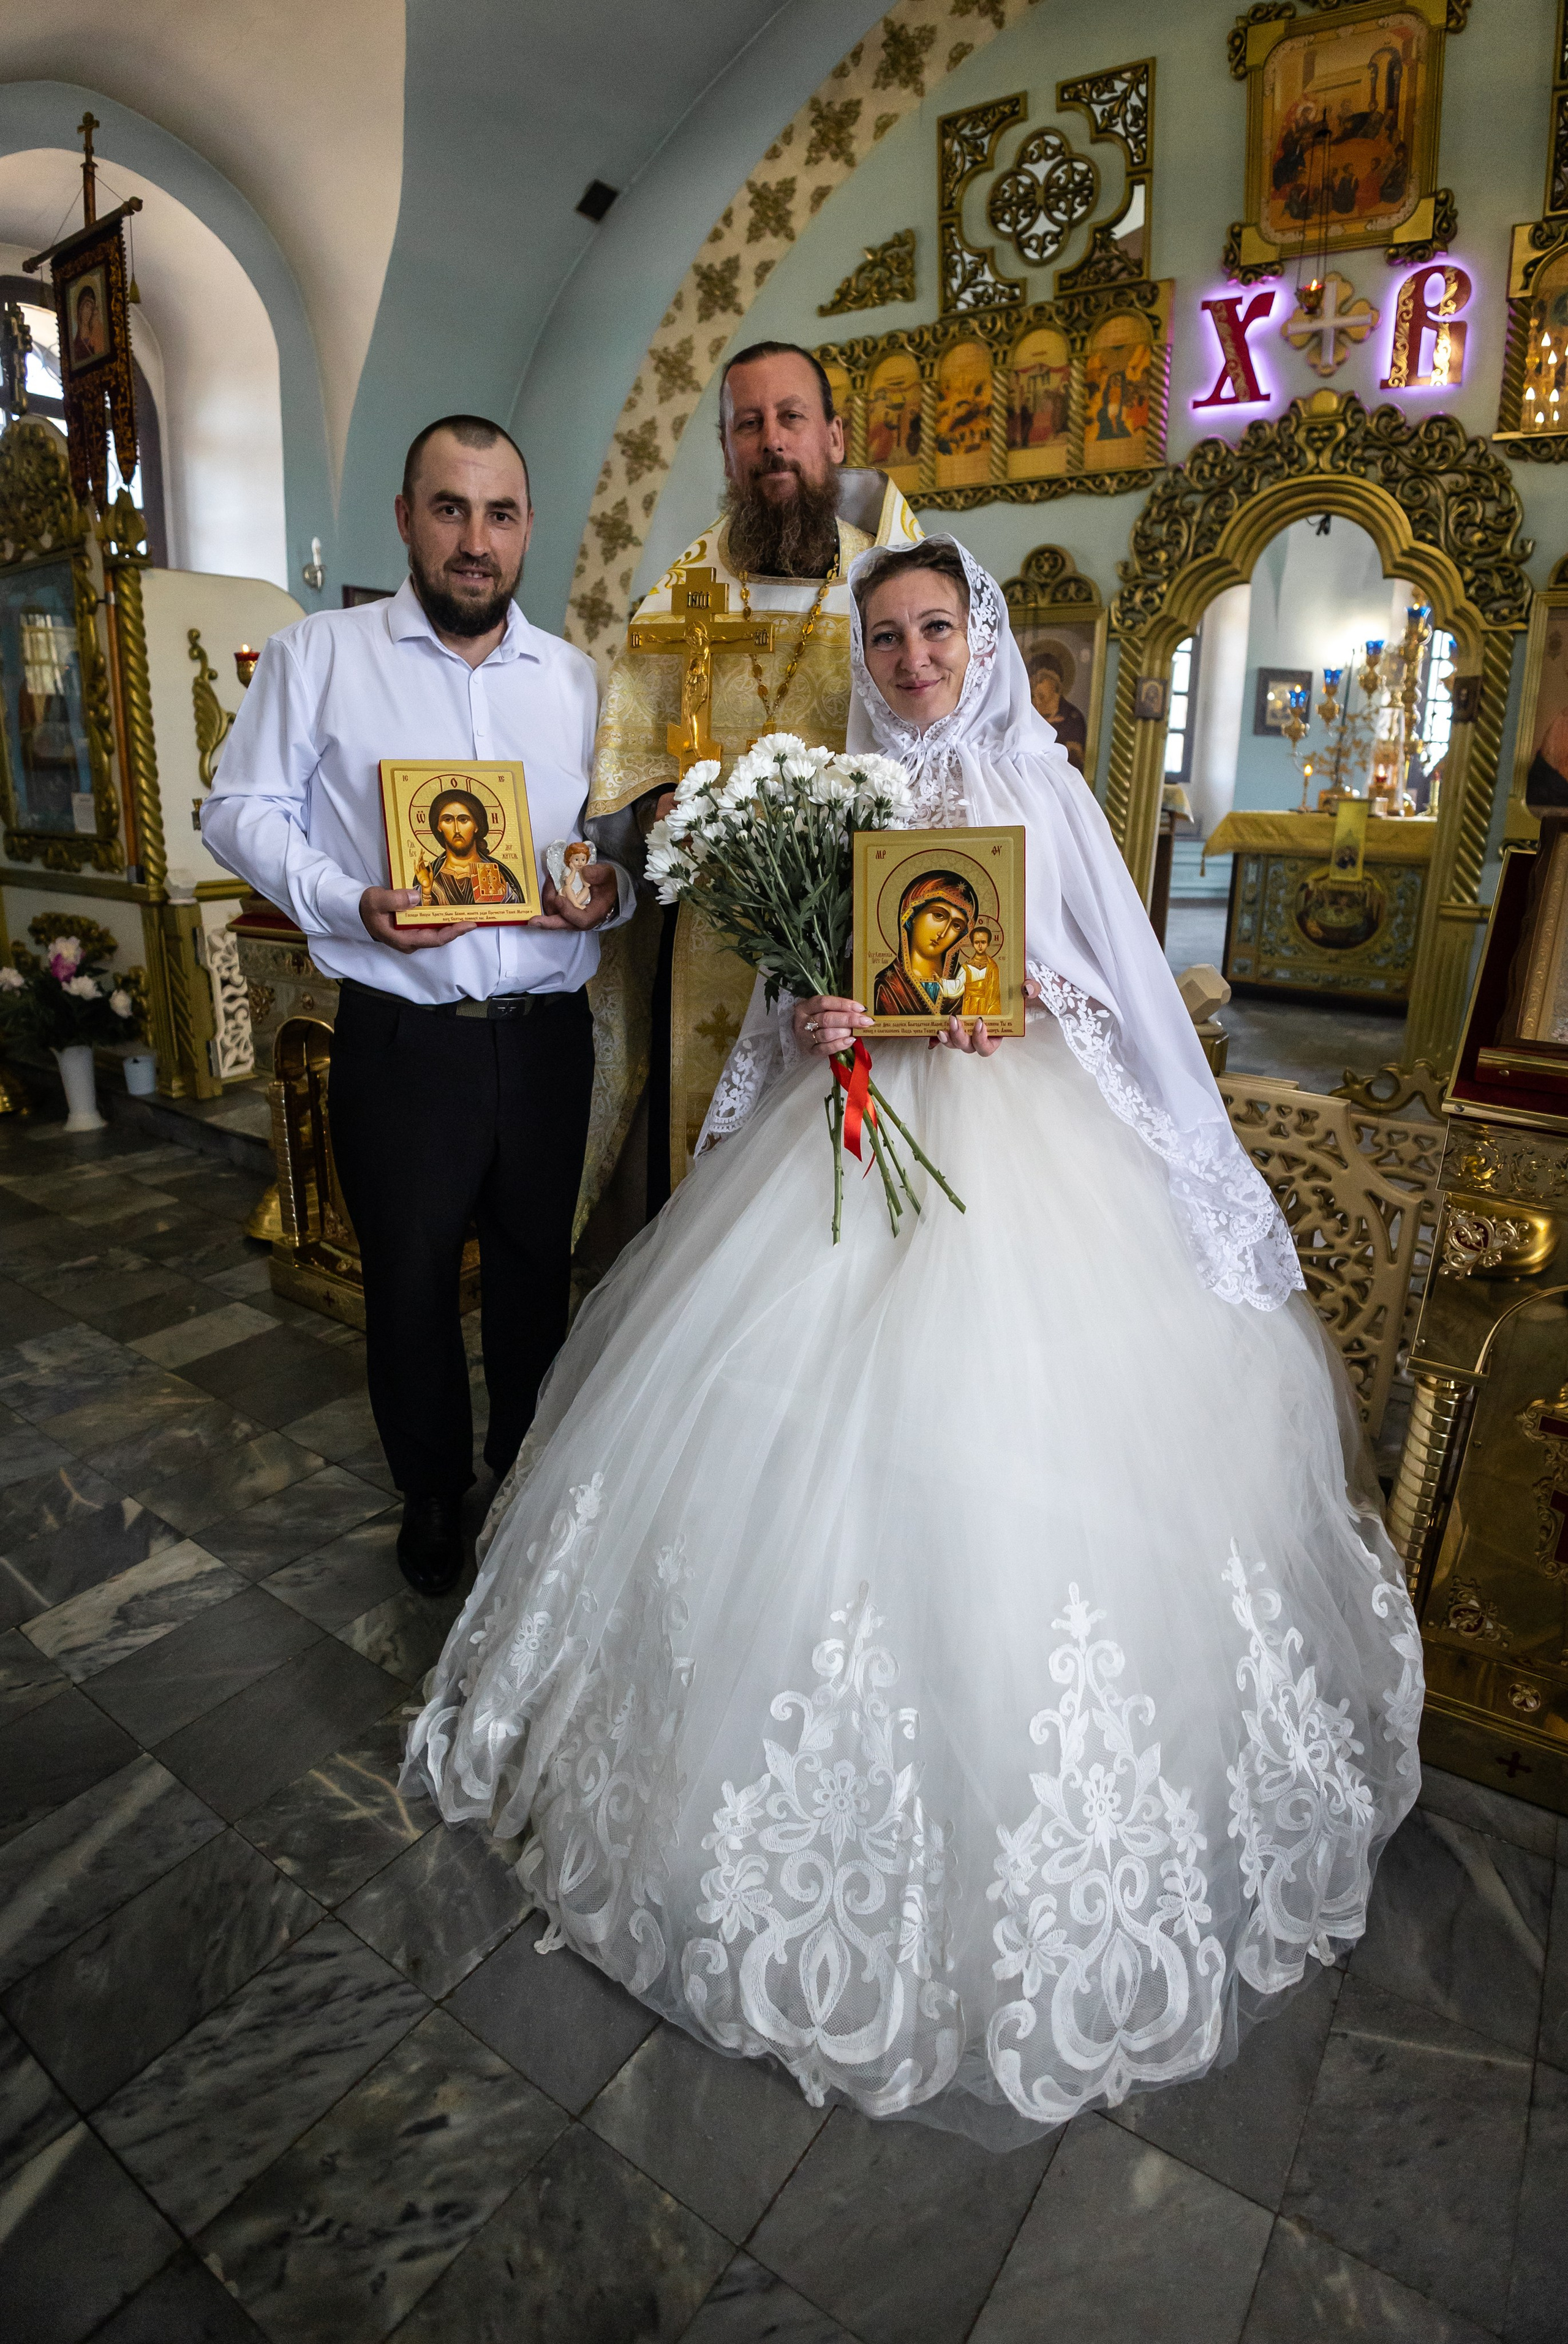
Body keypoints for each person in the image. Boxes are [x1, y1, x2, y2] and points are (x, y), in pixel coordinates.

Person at [405, 534, 1420, 2149]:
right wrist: (823, 1009)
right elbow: (809, 979)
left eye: (937, 629)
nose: (914, 658)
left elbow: (1116, 984)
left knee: (1003, 1449)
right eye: (887, 637)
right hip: (852, 1134)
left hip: (1023, 1152)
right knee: (791, 1424)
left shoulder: (1042, 787)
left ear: (982, 639)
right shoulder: (848, 799)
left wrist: (1010, 996)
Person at [202, 415, 637, 1596]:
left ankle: (526, 1467)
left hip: (545, 1041)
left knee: (536, 1271)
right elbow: (234, 810)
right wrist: (344, 901)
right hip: (405, 1039)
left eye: (499, 514)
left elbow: (608, 850)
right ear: (406, 518)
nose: (474, 541)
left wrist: (606, 893)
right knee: (408, 1278)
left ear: (529, 528)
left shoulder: (578, 681)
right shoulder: (320, 656)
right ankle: (433, 1491)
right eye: (450, 509)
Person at [587, 341, 923, 1223]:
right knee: (714, 1201)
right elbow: (629, 759)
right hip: (715, 934)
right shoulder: (681, 595)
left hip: (854, 939)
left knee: (832, 1192)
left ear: (833, 437)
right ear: (728, 450)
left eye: (791, 418)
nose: (771, 440)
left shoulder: (888, 588)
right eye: (748, 423)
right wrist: (657, 809)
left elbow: (939, 743)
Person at [873, 869, 977, 1016]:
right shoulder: (890, 985)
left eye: (956, 926)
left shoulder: (965, 984)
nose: (943, 933)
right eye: (939, 915)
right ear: (912, 915)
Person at [415, 788, 529, 907]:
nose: (457, 830)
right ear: (438, 827)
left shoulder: (499, 875)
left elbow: (518, 912)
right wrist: (426, 893)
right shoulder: (428, 877)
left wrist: (505, 896)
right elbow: (415, 914)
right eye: (448, 820)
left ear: (476, 825)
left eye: (463, 820)